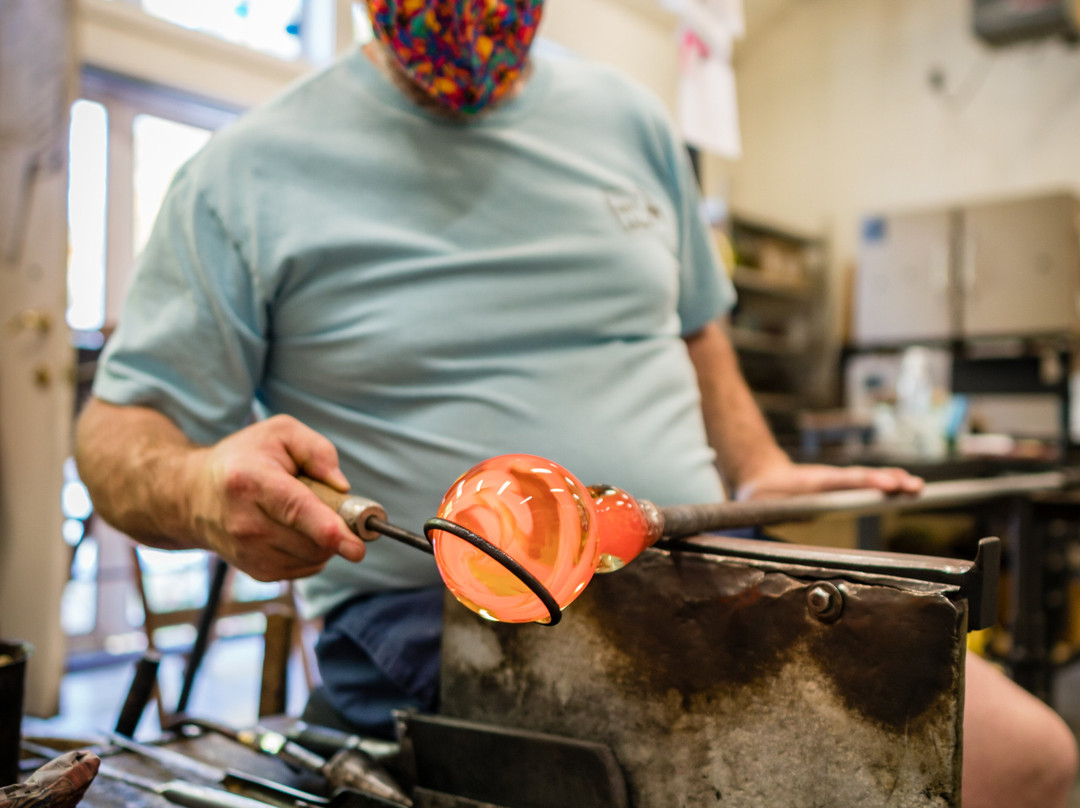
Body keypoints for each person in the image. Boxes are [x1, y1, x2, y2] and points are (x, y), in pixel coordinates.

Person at [74, 1, 1076, 804]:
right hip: (436, 605)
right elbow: (117, 432)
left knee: (1029, 756)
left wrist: (758, 465)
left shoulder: (632, 120)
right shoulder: (243, 175)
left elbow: (695, 325)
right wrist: (204, 485)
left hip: (702, 562)